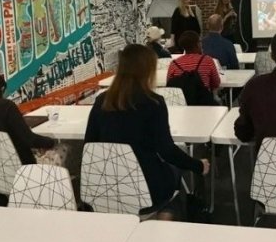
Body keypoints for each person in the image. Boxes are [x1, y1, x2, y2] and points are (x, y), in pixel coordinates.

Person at [85, 44, 210, 220]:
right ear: (148, 70)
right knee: (177, 174)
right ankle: (166, 218)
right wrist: (198, 165)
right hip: (146, 189)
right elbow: (167, 151)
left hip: (105, 189)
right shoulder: (154, 103)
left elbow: (89, 145)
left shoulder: (101, 101)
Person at [0, 73, 59, 206]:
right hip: (22, 174)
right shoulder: (6, 106)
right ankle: (63, 200)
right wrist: (52, 141)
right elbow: (30, 139)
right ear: (2, 90)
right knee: (62, 149)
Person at [167, 31, 220, 103]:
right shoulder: (207, 60)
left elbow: (169, 86)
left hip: (181, 104)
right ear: (198, 44)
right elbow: (216, 83)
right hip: (204, 105)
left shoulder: (174, 64)